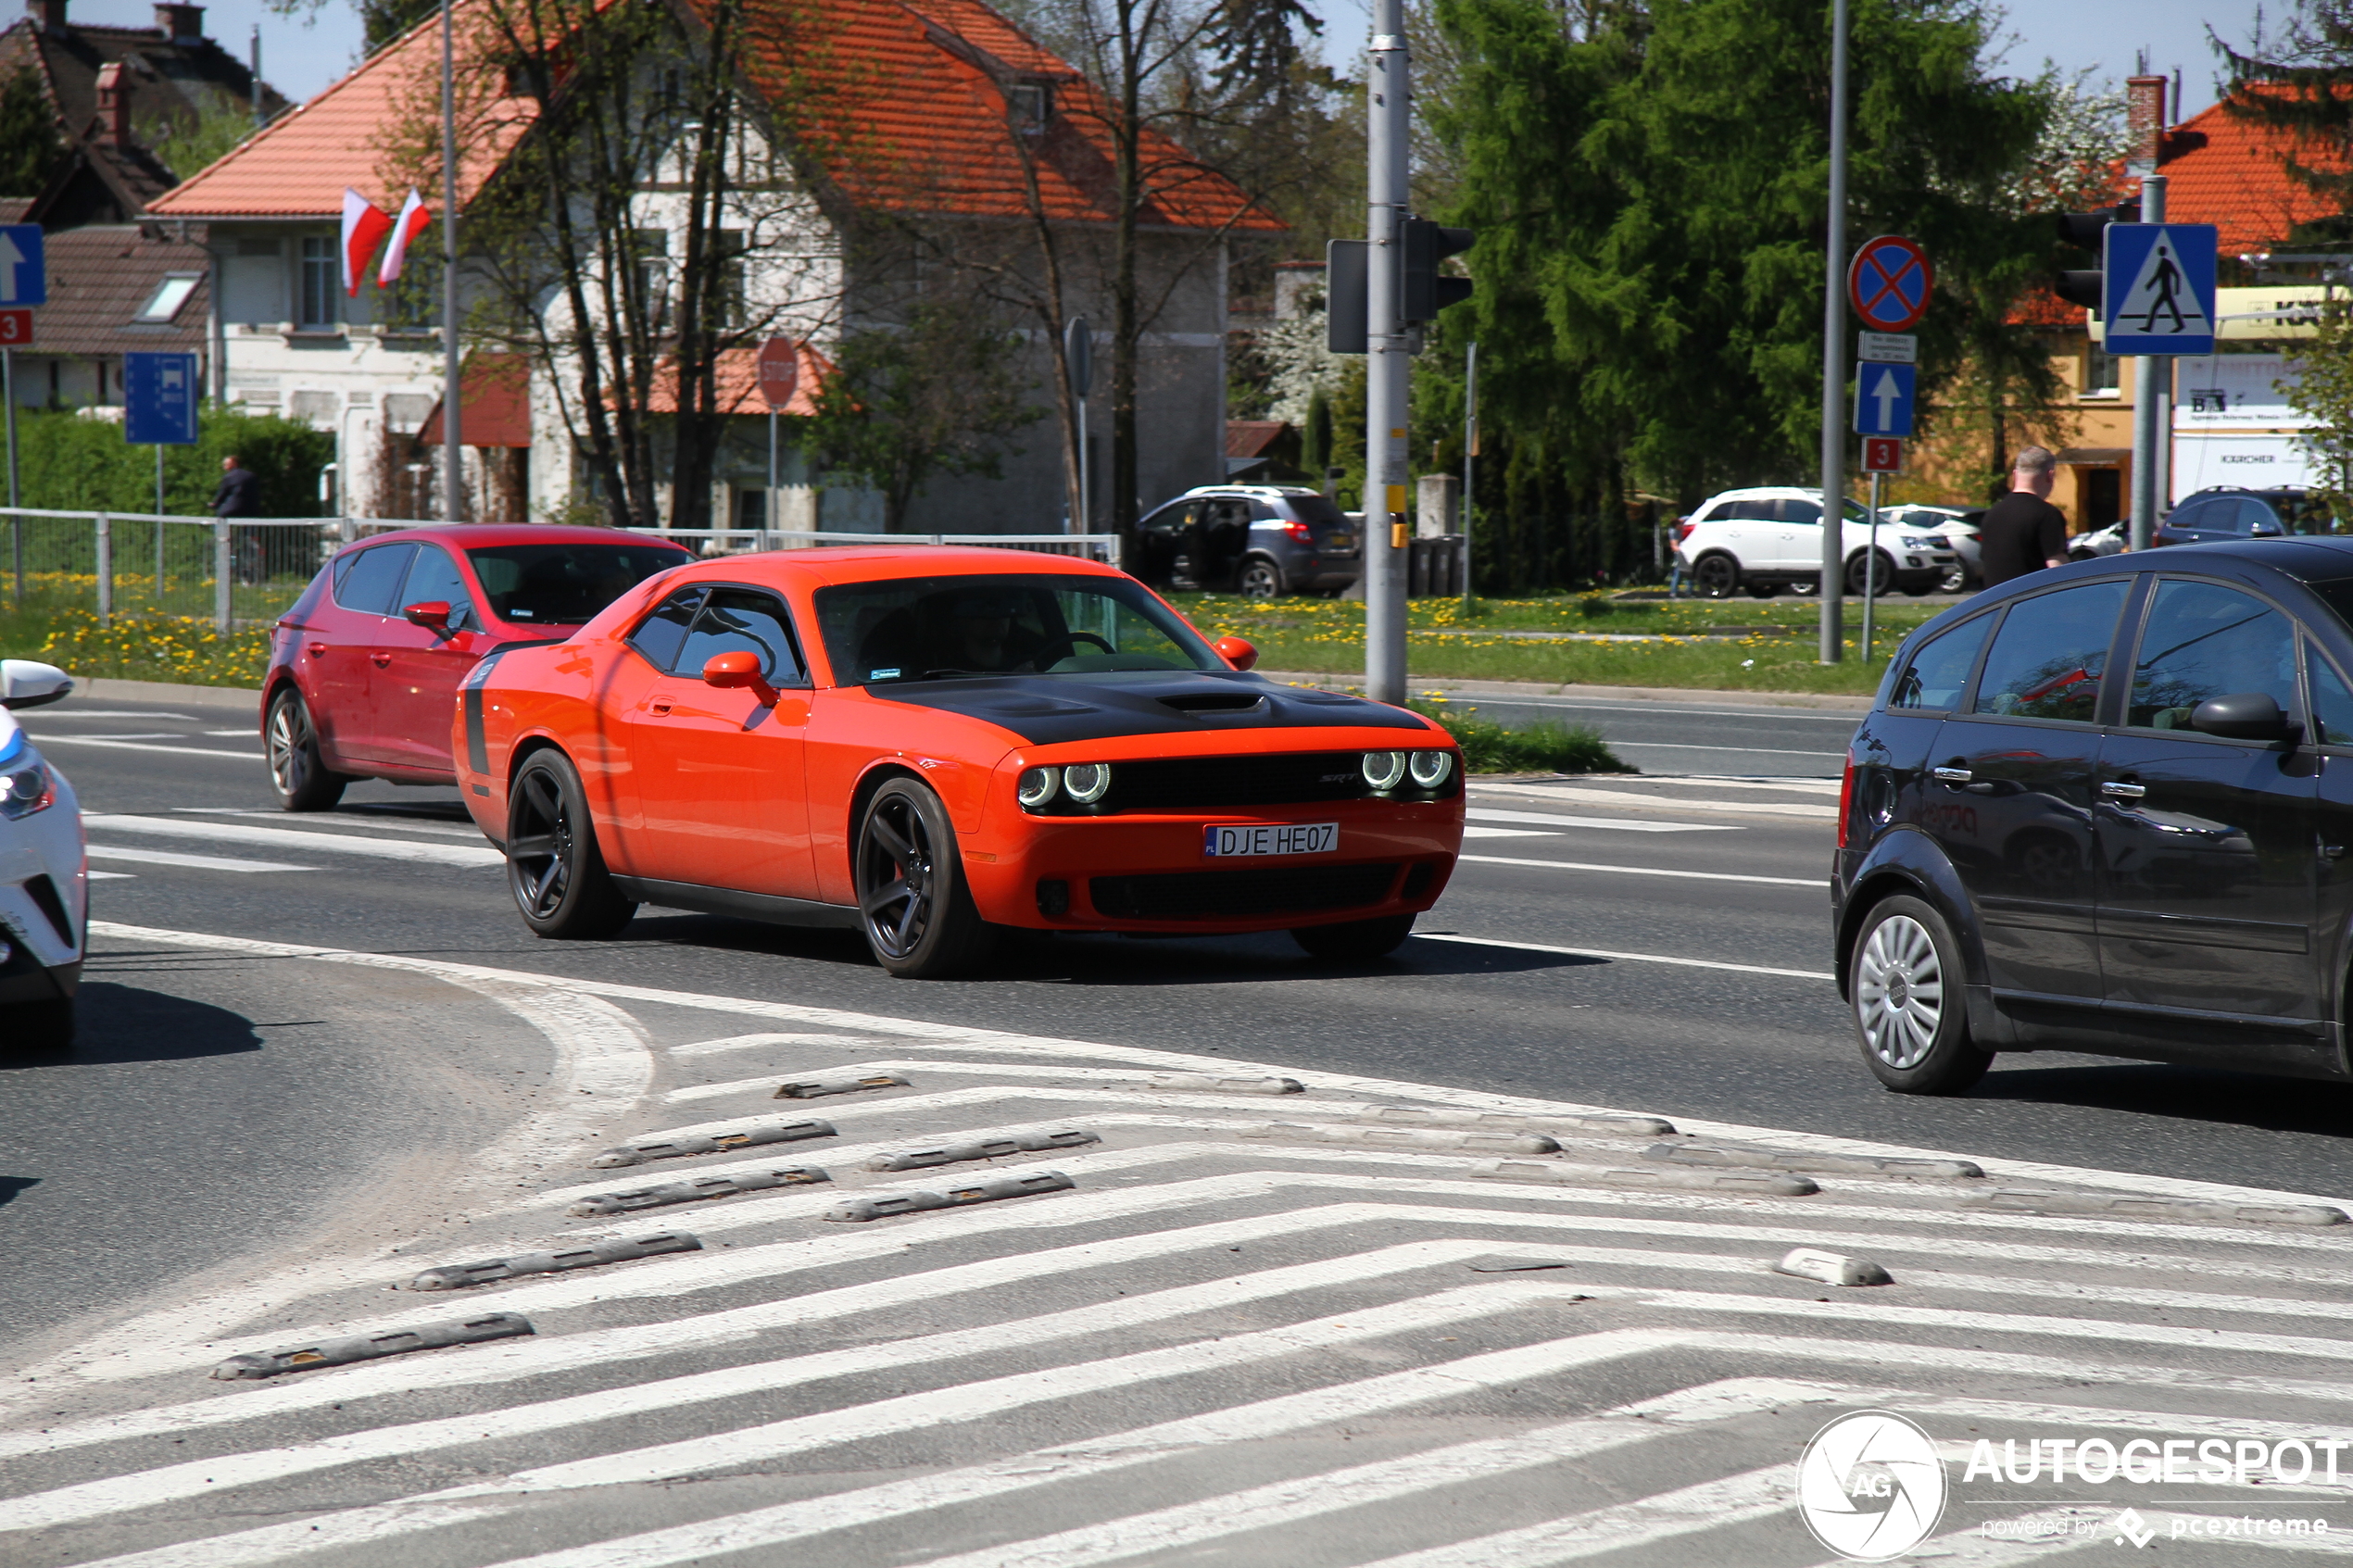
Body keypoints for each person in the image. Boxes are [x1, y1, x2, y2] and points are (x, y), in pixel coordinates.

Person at [1976, 447, 2070, 588]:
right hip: (2032, 605)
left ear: (2015, 474)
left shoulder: (1991, 515)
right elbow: (2057, 568)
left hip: (1998, 606)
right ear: (2050, 476)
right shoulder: (2047, 515)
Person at [212, 454, 260, 519]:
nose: (225, 468)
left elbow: (222, 494)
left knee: (220, 521)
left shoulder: (229, 477)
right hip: (251, 510)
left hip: (232, 509)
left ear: (234, 464)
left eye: (226, 465)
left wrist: (215, 504)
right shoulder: (251, 475)